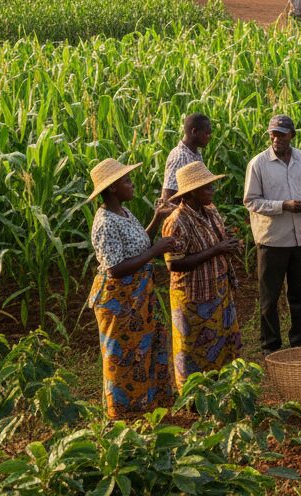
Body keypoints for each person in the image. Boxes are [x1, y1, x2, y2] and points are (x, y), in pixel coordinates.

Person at [86, 158, 174, 418]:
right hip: (119, 302)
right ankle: (124, 415)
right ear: (113, 188)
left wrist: (157, 219)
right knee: (122, 357)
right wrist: (156, 250)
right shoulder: (105, 222)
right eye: (126, 181)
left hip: (137, 299)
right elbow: (115, 268)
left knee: (142, 350)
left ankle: (145, 406)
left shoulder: (123, 213)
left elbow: (139, 244)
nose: (131, 184)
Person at [164, 161, 242, 387]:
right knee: (194, 353)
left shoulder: (210, 210)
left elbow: (218, 240)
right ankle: (194, 396)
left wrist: (228, 244)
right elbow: (174, 264)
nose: (212, 191)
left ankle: (224, 390)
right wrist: (216, 250)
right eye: (207, 187)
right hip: (194, 298)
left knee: (223, 346)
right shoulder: (176, 221)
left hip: (219, 290)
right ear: (192, 192)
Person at [244, 114, 301, 353]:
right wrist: (282, 205)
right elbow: (251, 201)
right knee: (270, 297)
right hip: (272, 240)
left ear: (291, 136)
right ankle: (271, 345)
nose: (276, 139)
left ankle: (299, 341)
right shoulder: (258, 164)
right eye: (273, 135)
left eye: (282, 135)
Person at [161, 113, 211, 201]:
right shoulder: (179, 157)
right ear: (194, 131)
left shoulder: (196, 154)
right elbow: (168, 198)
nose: (209, 137)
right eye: (207, 133)